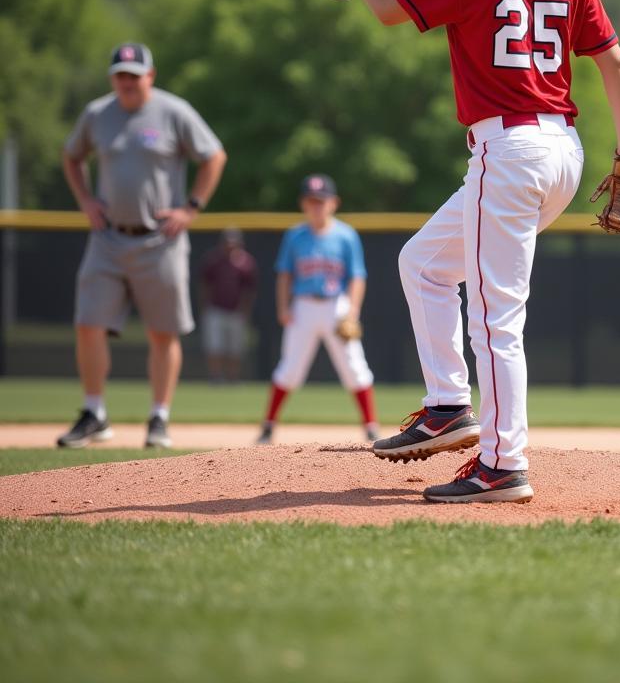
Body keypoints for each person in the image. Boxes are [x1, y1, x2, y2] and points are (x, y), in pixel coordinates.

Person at [331, 0, 620, 503]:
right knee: (422, 264)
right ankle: (448, 405)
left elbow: (387, 10)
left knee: (496, 317)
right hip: (563, 150)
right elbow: (614, 65)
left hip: (507, 153)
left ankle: (503, 464)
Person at [58, 43, 227, 449]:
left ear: (150, 76)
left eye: (135, 74)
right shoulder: (98, 114)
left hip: (160, 240)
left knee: (162, 332)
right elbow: (71, 156)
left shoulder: (173, 111)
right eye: (121, 74)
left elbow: (214, 155)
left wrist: (191, 208)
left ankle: (159, 417)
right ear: (112, 78)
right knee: (87, 323)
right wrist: (84, 200)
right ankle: (94, 412)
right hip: (109, 237)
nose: (127, 82)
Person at [256, 174, 379, 444]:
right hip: (303, 307)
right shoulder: (294, 235)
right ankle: (268, 426)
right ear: (303, 204)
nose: (317, 206)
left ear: (333, 203)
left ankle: (371, 426)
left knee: (355, 367)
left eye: (321, 201)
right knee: (289, 369)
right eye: (312, 201)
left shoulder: (346, 235)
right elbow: (284, 274)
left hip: (336, 305)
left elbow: (357, 275)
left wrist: (353, 310)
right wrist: (283, 307)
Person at [199, 227, 257, 383]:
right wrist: (205, 306)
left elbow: (249, 290)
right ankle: (216, 377)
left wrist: (246, 310)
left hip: (236, 311)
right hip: (215, 308)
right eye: (227, 242)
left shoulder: (246, 262)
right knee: (214, 346)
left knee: (235, 348)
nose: (230, 245)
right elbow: (205, 285)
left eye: (233, 242)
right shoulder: (212, 260)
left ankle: (233, 378)